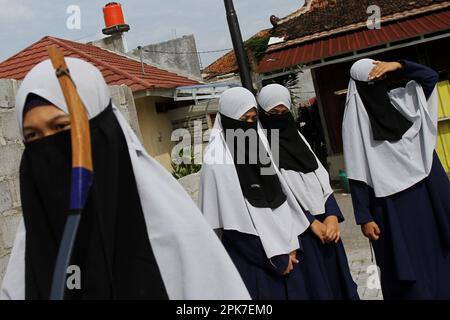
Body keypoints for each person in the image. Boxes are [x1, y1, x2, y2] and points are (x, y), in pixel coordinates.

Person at [0, 58, 250, 300]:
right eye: (32, 136)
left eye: (62, 128)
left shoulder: (172, 232)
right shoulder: (31, 248)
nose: (48, 148)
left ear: (103, 128)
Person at [343, 58, 450, 299]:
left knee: (441, 259)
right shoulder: (357, 125)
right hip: (391, 209)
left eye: (381, 79)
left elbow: (430, 77)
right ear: (360, 87)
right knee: (407, 273)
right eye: (372, 82)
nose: (379, 86)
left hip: (428, 194)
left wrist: (399, 66)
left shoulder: (403, 102)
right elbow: (357, 171)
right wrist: (364, 216)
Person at [257, 84, 358, 300]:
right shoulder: (263, 147)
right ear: (262, 114)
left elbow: (321, 177)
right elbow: (275, 194)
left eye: (284, 113)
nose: (280, 118)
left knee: (339, 285)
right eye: (273, 113)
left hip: (327, 230)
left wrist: (331, 217)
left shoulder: (298, 137)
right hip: (300, 234)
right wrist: (312, 223)